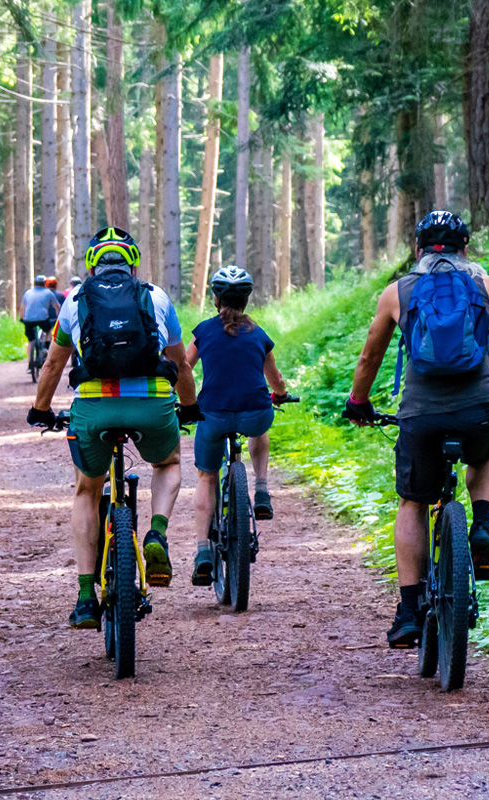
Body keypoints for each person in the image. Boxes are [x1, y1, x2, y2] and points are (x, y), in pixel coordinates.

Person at [341, 211, 489, 649]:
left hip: (421, 416)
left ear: (417, 249)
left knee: (412, 501)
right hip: (477, 409)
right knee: (484, 455)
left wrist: (358, 402)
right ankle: (480, 526)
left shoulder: (398, 292)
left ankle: (409, 611)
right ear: (466, 247)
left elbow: (370, 357)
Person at [28, 227, 200, 630]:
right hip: (152, 406)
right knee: (168, 463)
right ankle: (156, 534)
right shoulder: (157, 297)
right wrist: (190, 407)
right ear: (132, 264)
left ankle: (86, 597)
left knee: (87, 490)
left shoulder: (74, 300)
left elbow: (52, 364)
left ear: (92, 266)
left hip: (95, 408)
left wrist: (40, 410)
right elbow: (181, 364)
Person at [183, 266, 296, 586]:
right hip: (254, 413)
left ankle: (202, 552)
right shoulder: (259, 334)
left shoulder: (204, 331)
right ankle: (261, 488)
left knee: (207, 477)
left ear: (215, 299)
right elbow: (275, 379)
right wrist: (281, 395)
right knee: (260, 427)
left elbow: (184, 367)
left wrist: (184, 401)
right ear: (247, 300)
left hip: (213, 415)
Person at [20, 275, 62, 361]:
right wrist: (59, 316)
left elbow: (22, 308)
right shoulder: (48, 292)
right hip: (43, 319)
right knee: (48, 330)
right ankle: (46, 345)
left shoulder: (27, 292)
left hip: (28, 319)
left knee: (30, 340)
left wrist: (22, 318)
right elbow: (57, 306)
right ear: (44, 283)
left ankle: (30, 362)